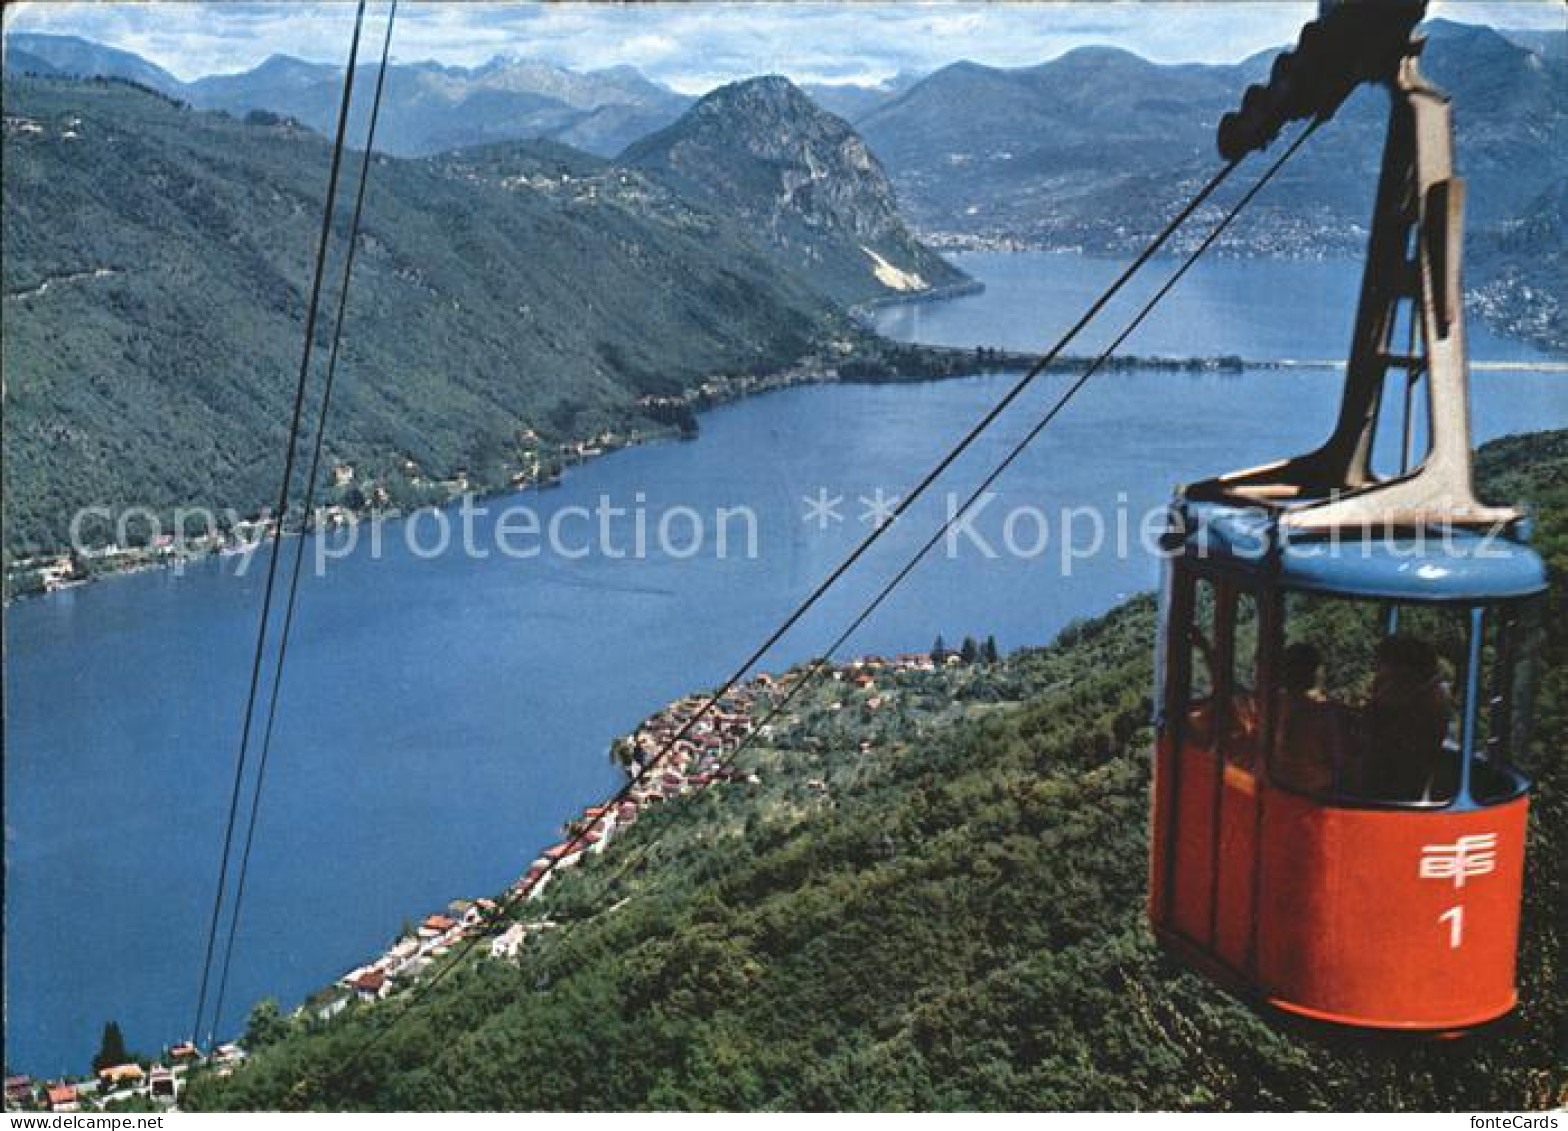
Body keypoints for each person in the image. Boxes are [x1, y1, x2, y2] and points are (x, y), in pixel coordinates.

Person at [1360, 634, 1453, 802]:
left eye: (1385, 666)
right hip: (1398, 778)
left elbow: (1375, 726)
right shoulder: (1429, 692)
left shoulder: (1422, 698)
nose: (1379, 673)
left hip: (1396, 784)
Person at [1272, 642, 1341, 794]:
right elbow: (1335, 758)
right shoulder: (1322, 712)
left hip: (1279, 790)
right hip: (1314, 793)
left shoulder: (1269, 706)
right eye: (1311, 669)